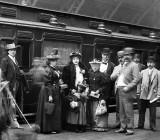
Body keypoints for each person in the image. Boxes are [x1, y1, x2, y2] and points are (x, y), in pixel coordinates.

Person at [1, 43, 28, 129]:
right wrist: (5, 84)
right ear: (8, 51)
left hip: (16, 85)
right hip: (8, 86)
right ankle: (12, 123)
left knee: (12, 104)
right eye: (12, 50)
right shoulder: (5, 60)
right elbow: (3, 74)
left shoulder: (14, 60)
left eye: (14, 50)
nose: (13, 52)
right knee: (10, 105)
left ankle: (11, 123)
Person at [35, 48, 62, 134]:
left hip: (53, 90)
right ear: (50, 62)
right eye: (53, 60)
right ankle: (47, 128)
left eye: (55, 60)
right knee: (49, 108)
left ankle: (52, 127)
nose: (55, 62)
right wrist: (50, 95)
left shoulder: (53, 69)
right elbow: (47, 83)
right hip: (48, 91)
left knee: (53, 109)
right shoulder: (48, 70)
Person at [62, 50, 88, 132]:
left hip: (81, 89)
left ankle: (81, 124)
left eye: (77, 59)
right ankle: (73, 125)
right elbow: (65, 80)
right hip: (73, 90)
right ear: (71, 60)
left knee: (81, 106)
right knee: (74, 106)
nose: (76, 60)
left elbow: (87, 78)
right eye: (74, 59)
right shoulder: (67, 68)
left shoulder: (83, 67)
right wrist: (71, 89)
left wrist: (85, 73)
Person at [115, 47, 139, 135]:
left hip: (127, 90)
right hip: (120, 89)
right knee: (121, 110)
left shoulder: (134, 65)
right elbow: (119, 75)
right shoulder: (125, 65)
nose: (126, 56)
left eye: (128, 55)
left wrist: (128, 87)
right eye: (125, 55)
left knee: (128, 111)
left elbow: (137, 79)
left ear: (132, 55)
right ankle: (123, 127)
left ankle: (130, 129)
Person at [135, 56, 160, 131]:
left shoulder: (158, 72)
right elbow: (139, 83)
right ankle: (140, 125)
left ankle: (152, 126)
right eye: (148, 62)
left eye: (151, 63)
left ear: (154, 64)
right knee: (141, 110)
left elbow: (159, 84)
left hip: (153, 94)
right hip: (143, 94)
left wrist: (158, 94)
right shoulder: (143, 72)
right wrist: (138, 92)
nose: (150, 64)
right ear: (147, 63)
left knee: (153, 111)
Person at [88, 59, 110, 132]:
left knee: (98, 108)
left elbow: (105, 85)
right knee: (92, 109)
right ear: (91, 66)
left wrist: (99, 90)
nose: (95, 67)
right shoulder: (89, 74)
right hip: (91, 95)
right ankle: (92, 124)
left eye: (96, 66)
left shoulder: (102, 74)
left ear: (99, 66)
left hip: (99, 95)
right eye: (93, 65)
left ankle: (99, 125)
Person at [99, 47, 115, 127]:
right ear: (101, 55)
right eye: (104, 55)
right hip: (98, 88)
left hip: (107, 90)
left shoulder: (112, 65)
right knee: (97, 105)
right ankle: (97, 123)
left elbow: (113, 79)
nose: (106, 57)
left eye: (107, 55)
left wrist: (112, 90)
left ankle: (104, 124)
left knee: (106, 106)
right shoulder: (97, 63)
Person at [110, 51, 124, 129]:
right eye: (119, 58)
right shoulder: (116, 67)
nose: (120, 59)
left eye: (122, 57)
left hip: (125, 90)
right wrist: (118, 73)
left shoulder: (129, 66)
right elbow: (111, 78)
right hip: (118, 90)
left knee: (124, 108)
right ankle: (118, 123)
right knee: (118, 107)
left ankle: (124, 124)